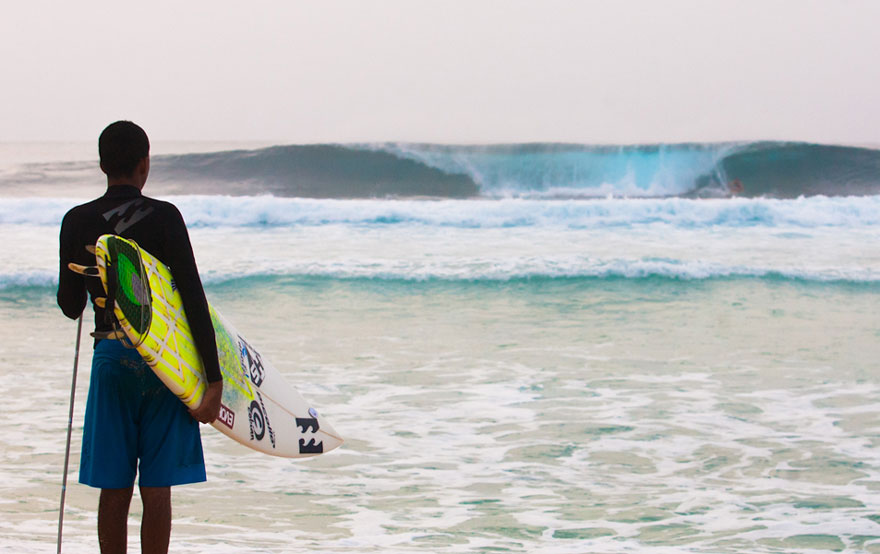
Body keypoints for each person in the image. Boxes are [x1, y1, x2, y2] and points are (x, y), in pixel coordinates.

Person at [57, 121, 223, 554]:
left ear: (101, 164)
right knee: (156, 488)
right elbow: (192, 297)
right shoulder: (166, 217)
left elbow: (70, 305)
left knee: (114, 487)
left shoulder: (77, 221)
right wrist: (213, 378)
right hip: (163, 363)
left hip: (111, 358)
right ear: (145, 164)